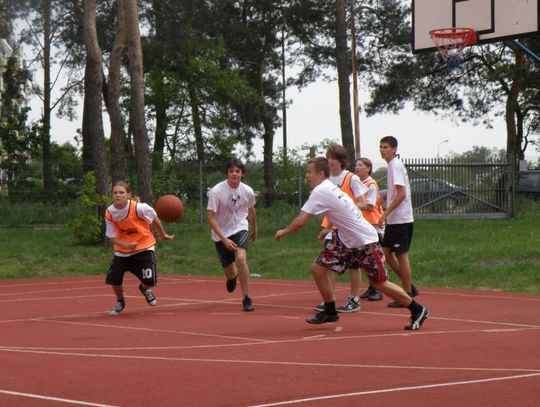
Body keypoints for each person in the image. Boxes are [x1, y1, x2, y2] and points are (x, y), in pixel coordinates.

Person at [274, 157, 429, 329]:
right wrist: (330, 228)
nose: (306, 176)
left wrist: (284, 231)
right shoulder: (329, 188)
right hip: (345, 239)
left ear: (321, 174)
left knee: (379, 283)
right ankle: (330, 310)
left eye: (309, 173)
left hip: (365, 240)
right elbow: (344, 212)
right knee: (318, 269)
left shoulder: (321, 191)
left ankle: (417, 309)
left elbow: (302, 221)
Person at [104, 181, 175, 316]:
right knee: (114, 279)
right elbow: (111, 237)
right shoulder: (110, 212)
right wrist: (126, 245)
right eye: (115, 193)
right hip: (123, 251)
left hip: (144, 247)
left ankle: (144, 289)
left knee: (150, 281)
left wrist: (163, 235)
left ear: (128, 194)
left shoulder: (140, 208)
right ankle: (120, 302)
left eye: (121, 192)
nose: (118, 195)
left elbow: (155, 218)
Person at [315, 145, 368, 314]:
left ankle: (354, 299)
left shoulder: (351, 178)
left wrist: (346, 206)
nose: (330, 161)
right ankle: (329, 299)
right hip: (334, 227)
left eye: (333, 158)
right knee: (326, 264)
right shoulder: (327, 180)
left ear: (341, 161)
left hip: (351, 228)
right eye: (328, 157)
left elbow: (363, 203)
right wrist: (327, 227)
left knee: (354, 266)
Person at [207, 158, 257, 312]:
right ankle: (232, 277)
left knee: (241, 259)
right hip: (221, 232)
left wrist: (254, 228)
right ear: (227, 173)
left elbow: (251, 210)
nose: (234, 174)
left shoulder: (247, 191)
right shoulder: (216, 192)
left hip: (240, 226)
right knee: (229, 270)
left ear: (242, 174)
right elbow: (210, 217)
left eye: (237, 171)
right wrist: (224, 239)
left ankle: (246, 297)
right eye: (231, 171)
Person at [379, 136, 419, 308]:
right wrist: (385, 195)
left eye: (386, 147)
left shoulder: (395, 165)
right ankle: (408, 285)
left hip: (401, 218)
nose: (382, 150)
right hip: (396, 220)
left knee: (401, 254)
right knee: (386, 252)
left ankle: (407, 293)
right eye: (380, 147)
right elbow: (398, 190)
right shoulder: (392, 166)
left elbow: (402, 193)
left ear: (394, 149)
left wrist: (386, 212)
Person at [354, 157, 384, 301]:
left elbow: (370, 206)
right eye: (356, 165)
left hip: (373, 227)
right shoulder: (357, 184)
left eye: (360, 165)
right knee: (365, 259)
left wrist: (351, 205)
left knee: (373, 259)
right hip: (363, 227)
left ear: (368, 168)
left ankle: (377, 289)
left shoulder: (371, 184)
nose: (357, 167)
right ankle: (372, 287)